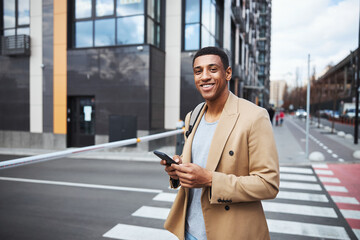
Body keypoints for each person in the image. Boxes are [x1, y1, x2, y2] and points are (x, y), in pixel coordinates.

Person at [160, 47, 279, 240]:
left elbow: (268, 184)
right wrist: (178, 169)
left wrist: (210, 180)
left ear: (228, 73)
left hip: (230, 233)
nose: (204, 76)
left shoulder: (254, 116)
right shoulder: (194, 115)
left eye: (212, 69)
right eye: (198, 71)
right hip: (189, 230)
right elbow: (201, 159)